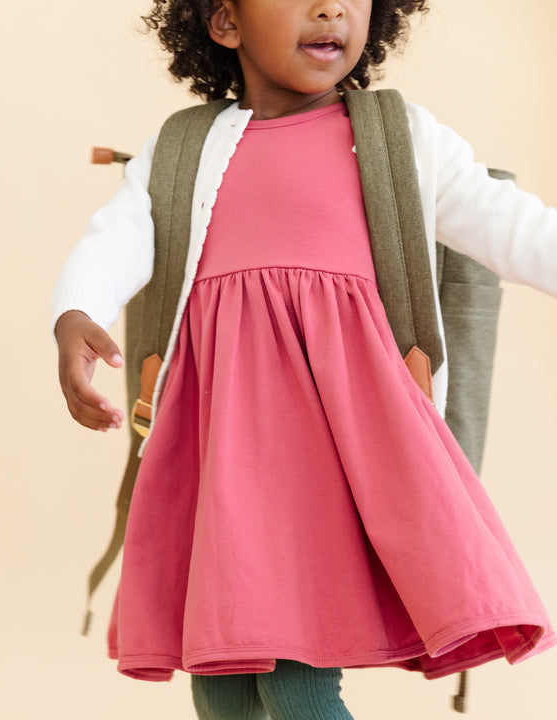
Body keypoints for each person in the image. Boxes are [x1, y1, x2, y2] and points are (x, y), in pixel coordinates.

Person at [52, 1, 557, 718]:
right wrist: (76, 314)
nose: (331, 7)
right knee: (220, 679)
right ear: (224, 21)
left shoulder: (398, 139)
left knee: (296, 676)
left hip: (330, 459)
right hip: (221, 453)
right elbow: (116, 241)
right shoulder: (184, 150)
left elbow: (515, 229)